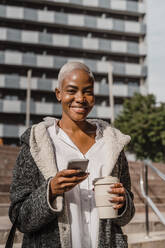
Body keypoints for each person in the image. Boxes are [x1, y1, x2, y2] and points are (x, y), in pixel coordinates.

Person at [9, 61, 135, 248]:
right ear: (58, 94)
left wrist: (123, 202)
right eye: (71, 90)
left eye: (88, 91)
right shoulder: (36, 143)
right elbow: (19, 217)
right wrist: (50, 190)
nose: (80, 98)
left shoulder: (112, 143)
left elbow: (125, 215)